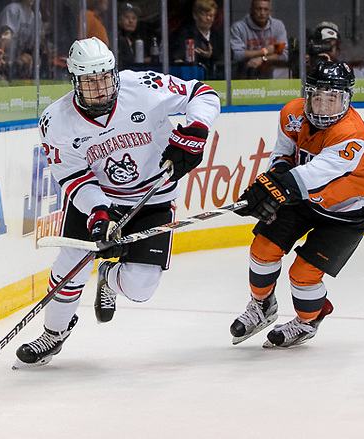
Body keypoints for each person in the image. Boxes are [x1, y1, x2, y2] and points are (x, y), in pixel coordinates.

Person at [13, 37, 220, 368]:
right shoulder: (56, 121)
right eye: (90, 81)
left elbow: (203, 93)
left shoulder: (144, 87)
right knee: (71, 265)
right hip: (100, 199)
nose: (100, 88)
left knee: (141, 289)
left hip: (153, 197)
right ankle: (54, 333)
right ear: (75, 82)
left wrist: (195, 132)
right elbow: (73, 176)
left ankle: (109, 277)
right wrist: (98, 214)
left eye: (105, 78)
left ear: (115, 73)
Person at [230, 62, 364, 348]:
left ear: (347, 99)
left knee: (303, 274)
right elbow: (284, 155)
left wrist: (271, 190)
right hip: (303, 196)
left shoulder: (352, 135)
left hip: (348, 212)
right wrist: (270, 183)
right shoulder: (292, 113)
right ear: (307, 95)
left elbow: (313, 176)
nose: (323, 107)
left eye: (333, 99)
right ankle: (262, 306)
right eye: (317, 97)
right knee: (262, 249)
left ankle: (307, 321)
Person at [230, 0, 288, 79]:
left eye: (265, 9)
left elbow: (284, 55)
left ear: (270, 12)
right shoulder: (239, 27)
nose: (262, 13)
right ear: (251, 10)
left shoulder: (277, 26)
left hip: (269, 79)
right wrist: (265, 51)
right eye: (259, 9)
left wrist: (262, 59)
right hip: (242, 78)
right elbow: (237, 55)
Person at [0, 0, 36, 81]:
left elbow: (31, 42)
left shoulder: (34, 16)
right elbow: (6, 36)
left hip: (11, 58)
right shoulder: (13, 10)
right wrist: (1, 55)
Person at [168, 0, 224, 79]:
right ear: (195, 15)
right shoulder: (183, 35)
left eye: (211, 15)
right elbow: (176, 55)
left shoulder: (218, 36)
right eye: (204, 15)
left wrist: (211, 55)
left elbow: (228, 54)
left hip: (215, 80)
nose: (208, 18)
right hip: (190, 78)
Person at [116, 2, 146, 70]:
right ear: (119, 20)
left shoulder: (135, 39)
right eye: (127, 17)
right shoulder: (116, 39)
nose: (131, 21)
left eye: (134, 18)